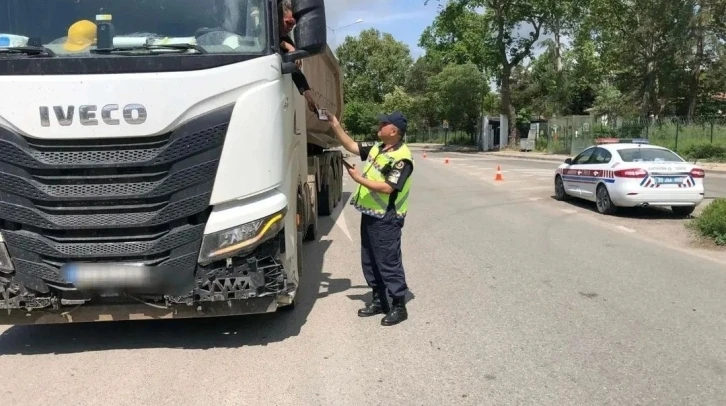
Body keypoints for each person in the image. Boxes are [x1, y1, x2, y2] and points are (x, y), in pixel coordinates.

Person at [328, 111, 414, 326]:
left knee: (388, 262)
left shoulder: (402, 159)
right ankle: (379, 300)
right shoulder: (378, 148)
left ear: (394, 131)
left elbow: (387, 187)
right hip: (370, 215)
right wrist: (335, 124)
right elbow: (351, 146)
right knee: (370, 260)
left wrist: (358, 179)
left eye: (384, 123)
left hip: (387, 218)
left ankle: (398, 305)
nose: (380, 124)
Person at [277, 0, 317, 113]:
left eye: (293, 25)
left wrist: (308, 96)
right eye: (288, 23)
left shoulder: (288, 43)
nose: (290, 28)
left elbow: (295, 71)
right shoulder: (259, 34)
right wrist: (289, 48)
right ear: (277, 18)